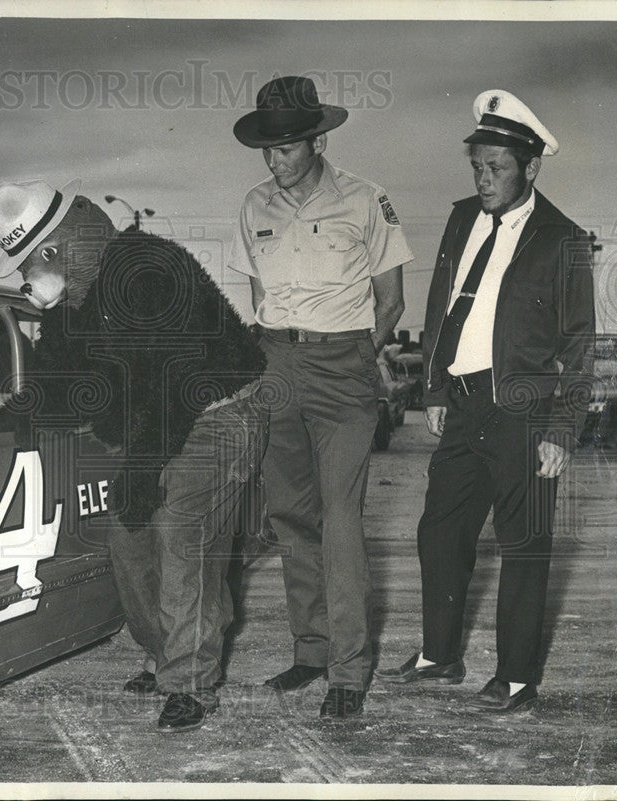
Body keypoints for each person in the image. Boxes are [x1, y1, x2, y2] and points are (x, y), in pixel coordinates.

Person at [0, 178, 267, 732]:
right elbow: (56, 372)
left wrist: (142, 472)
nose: (27, 281)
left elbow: (174, 379)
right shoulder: (77, 293)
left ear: (57, 250)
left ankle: (191, 680)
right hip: (163, 418)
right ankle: (168, 651)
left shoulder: (146, 268)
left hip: (219, 409)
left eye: (27, 267)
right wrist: (9, 426)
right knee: (126, 532)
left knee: (179, 528)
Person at [375, 90, 595, 713]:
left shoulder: (563, 239)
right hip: (465, 404)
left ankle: (518, 677)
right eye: (478, 166)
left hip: (525, 411)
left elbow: (579, 342)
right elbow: (443, 304)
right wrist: (438, 387)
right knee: (440, 531)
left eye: (496, 168)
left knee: (524, 541)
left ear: (531, 166)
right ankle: (440, 655)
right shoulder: (459, 218)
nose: (484, 179)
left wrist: (563, 429)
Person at [228, 75, 413, 718]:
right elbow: (256, 297)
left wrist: (360, 357)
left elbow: (391, 300)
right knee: (290, 514)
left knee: (340, 518)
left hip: (343, 365)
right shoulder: (254, 206)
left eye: (284, 147)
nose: (273, 160)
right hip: (277, 361)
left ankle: (350, 668)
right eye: (266, 149)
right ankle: (310, 651)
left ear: (316, 139)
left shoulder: (367, 199)